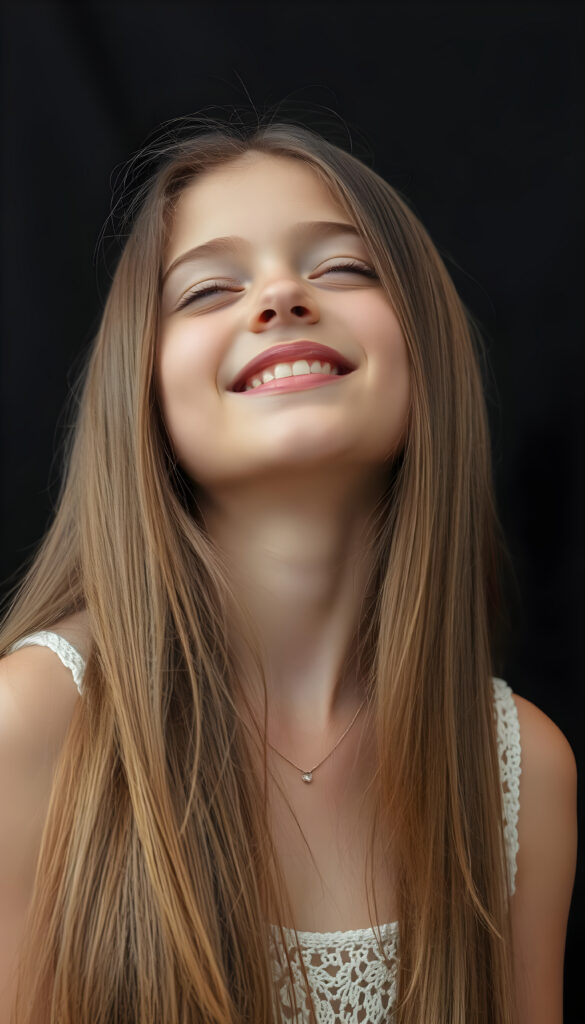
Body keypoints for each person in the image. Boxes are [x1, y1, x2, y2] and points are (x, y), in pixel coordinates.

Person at [0, 115, 577, 1024]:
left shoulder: (521, 772)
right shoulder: (31, 723)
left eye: (340, 267)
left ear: (423, 349)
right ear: (140, 390)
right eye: (205, 290)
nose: (278, 298)